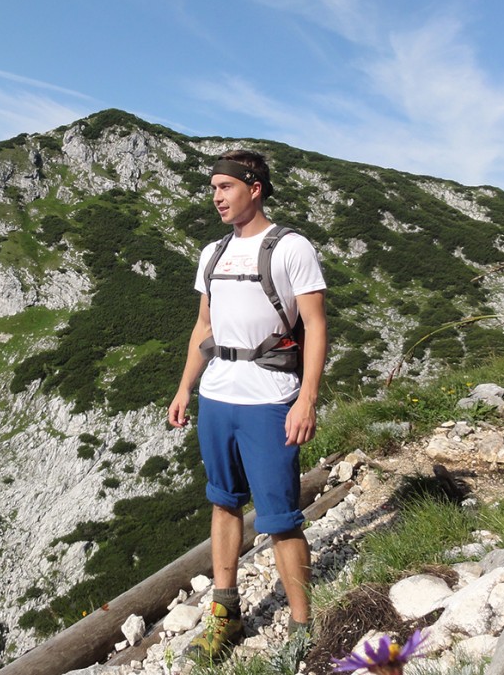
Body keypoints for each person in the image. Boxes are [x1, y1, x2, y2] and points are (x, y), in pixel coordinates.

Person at [168, 149, 328, 661]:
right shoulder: (212, 253)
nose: (216, 197)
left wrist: (307, 398)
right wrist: (184, 387)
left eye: (225, 187)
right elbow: (204, 326)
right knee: (222, 501)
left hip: (270, 400)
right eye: (213, 187)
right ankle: (225, 613)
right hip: (217, 396)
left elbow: (317, 325)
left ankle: (303, 626)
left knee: (280, 518)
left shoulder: (290, 247)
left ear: (254, 188)